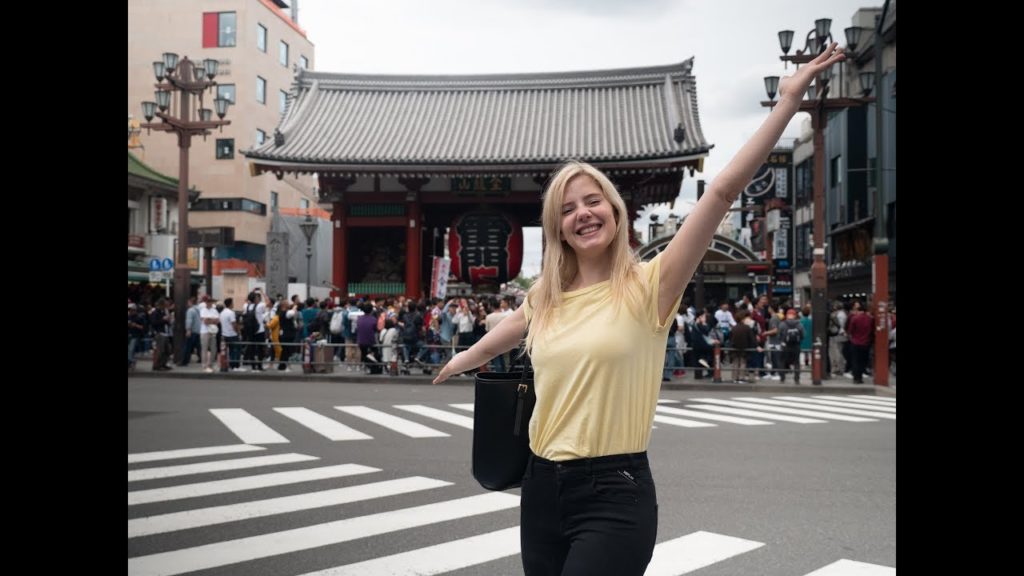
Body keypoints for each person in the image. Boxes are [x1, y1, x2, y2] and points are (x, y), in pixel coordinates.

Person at [431, 43, 844, 576]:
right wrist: (460, 361)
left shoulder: (651, 286)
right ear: (557, 227)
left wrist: (786, 103)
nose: (583, 214)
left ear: (615, 209)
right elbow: (505, 333)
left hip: (613, 493)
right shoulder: (546, 296)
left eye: (593, 200)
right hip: (539, 487)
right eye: (568, 208)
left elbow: (719, 192)